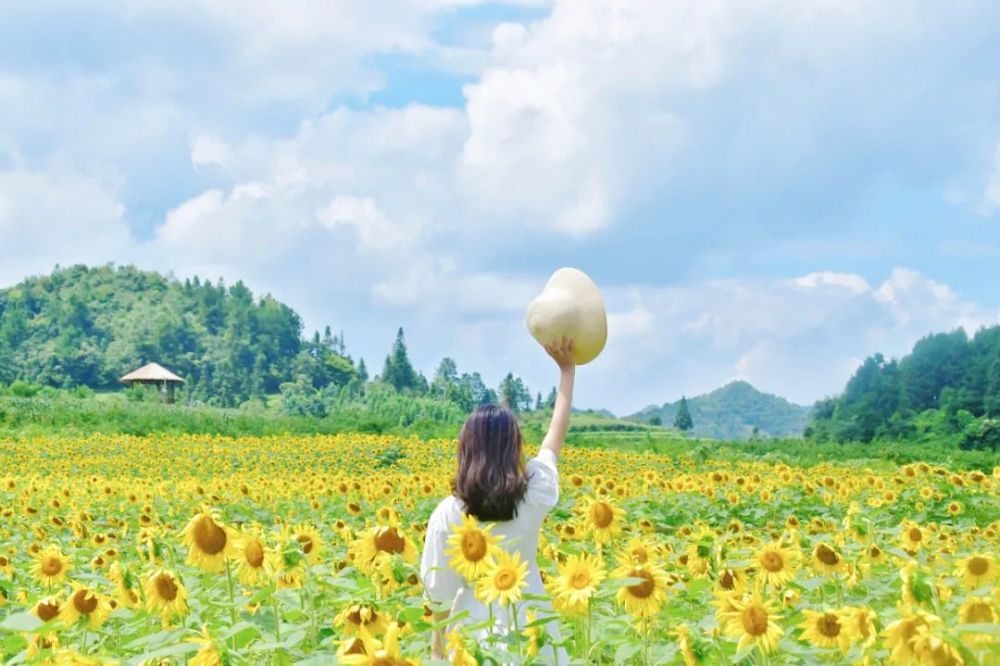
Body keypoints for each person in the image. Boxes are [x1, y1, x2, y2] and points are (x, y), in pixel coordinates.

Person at [420, 336, 576, 663]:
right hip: (533, 629)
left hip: (474, 636)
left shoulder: (448, 513)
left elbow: (440, 596)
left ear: (466, 450)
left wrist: (438, 649)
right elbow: (553, 440)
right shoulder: (532, 495)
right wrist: (567, 372)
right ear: (514, 448)